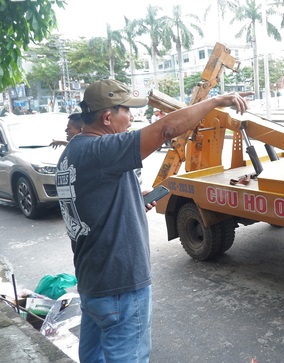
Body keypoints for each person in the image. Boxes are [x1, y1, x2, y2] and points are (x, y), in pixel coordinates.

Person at [56, 79, 247, 362]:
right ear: (107, 117)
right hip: (120, 285)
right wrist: (216, 102)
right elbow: (166, 129)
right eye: (126, 111)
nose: (132, 117)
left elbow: (92, 200)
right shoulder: (103, 150)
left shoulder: (71, 153)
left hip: (93, 283)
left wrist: (132, 198)